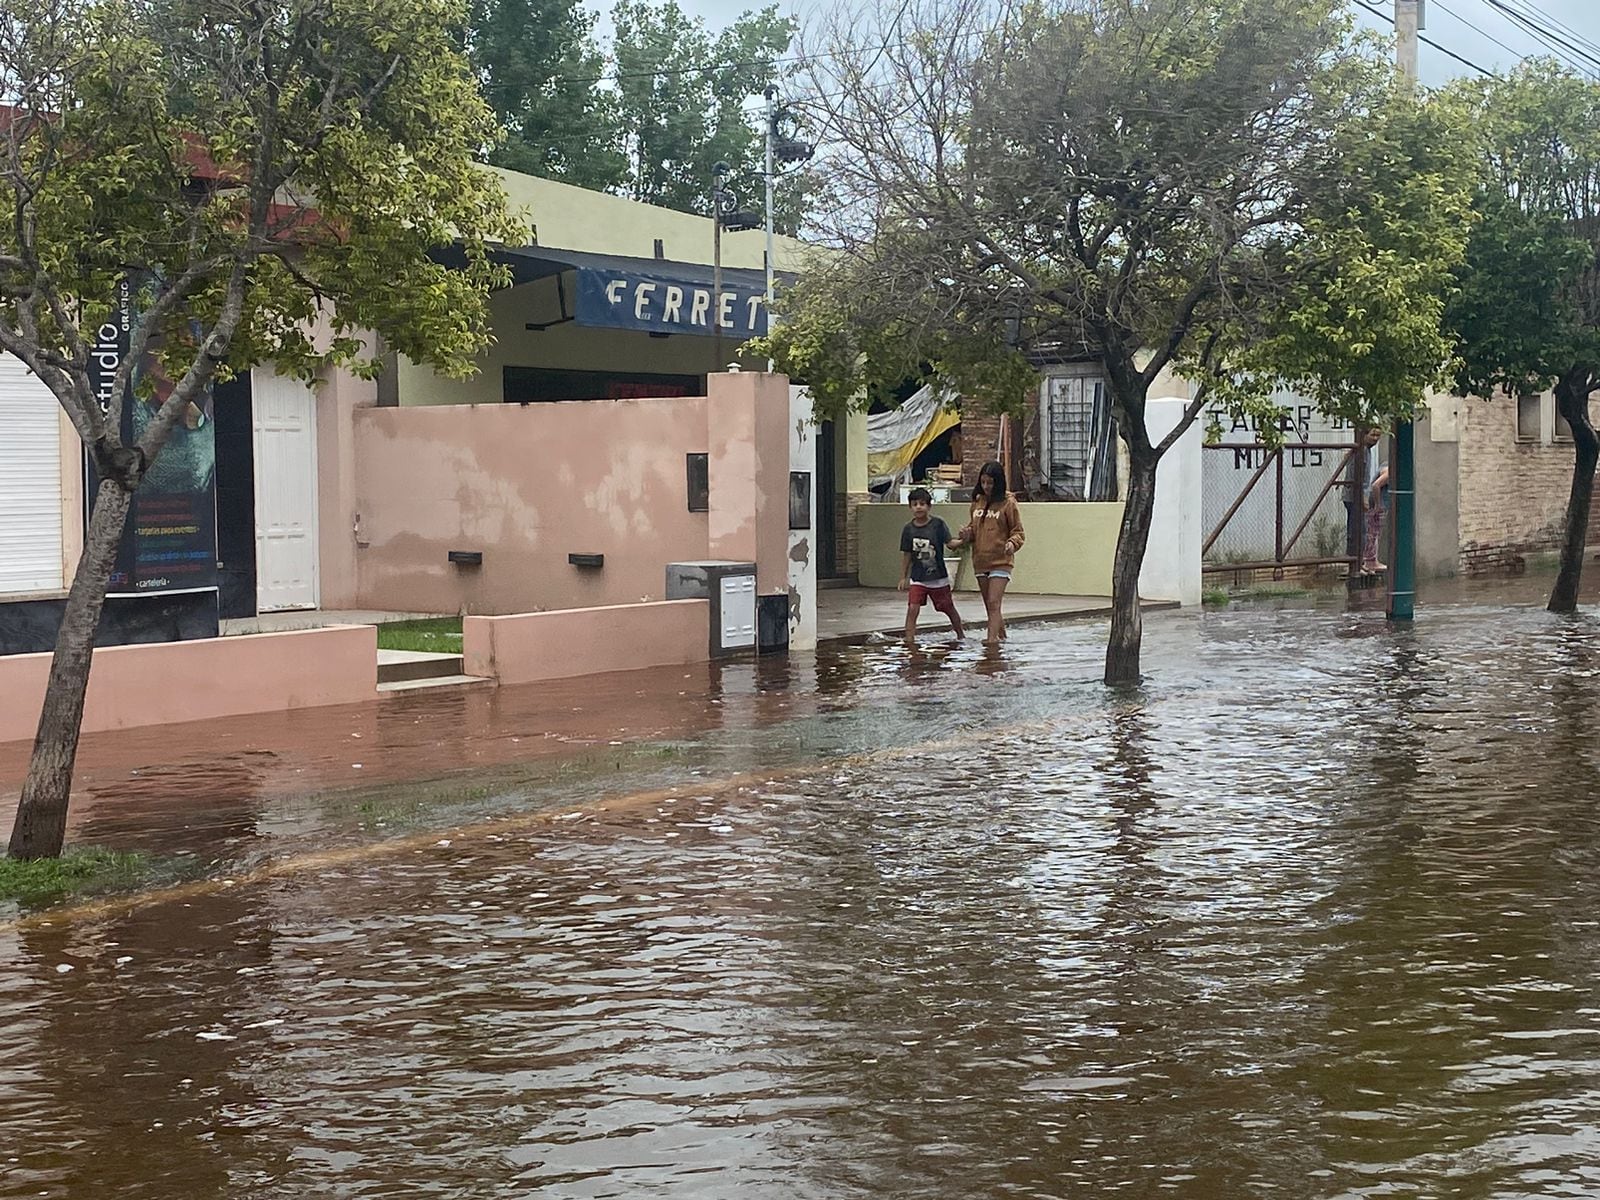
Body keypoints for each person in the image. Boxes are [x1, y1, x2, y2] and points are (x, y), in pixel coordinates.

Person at [959, 460, 1025, 646]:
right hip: (980, 560)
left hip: (1001, 561)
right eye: (983, 482)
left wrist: (1012, 544)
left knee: (994, 602)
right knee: (990, 605)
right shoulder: (977, 502)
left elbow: (1018, 532)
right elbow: (973, 529)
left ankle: (991, 641)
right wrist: (966, 534)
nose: (986, 486)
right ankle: (1002, 637)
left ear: (998, 482)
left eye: (990, 483)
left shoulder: (1008, 503)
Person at [898, 487, 966, 644]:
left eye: (922, 504)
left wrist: (963, 540)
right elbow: (907, 554)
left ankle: (961, 634)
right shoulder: (908, 530)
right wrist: (903, 577)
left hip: (938, 578)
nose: (918, 507)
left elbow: (950, 543)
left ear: (929, 506)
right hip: (918, 578)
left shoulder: (938, 524)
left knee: (948, 608)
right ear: (910, 507)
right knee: (913, 608)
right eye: (915, 504)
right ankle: (909, 641)